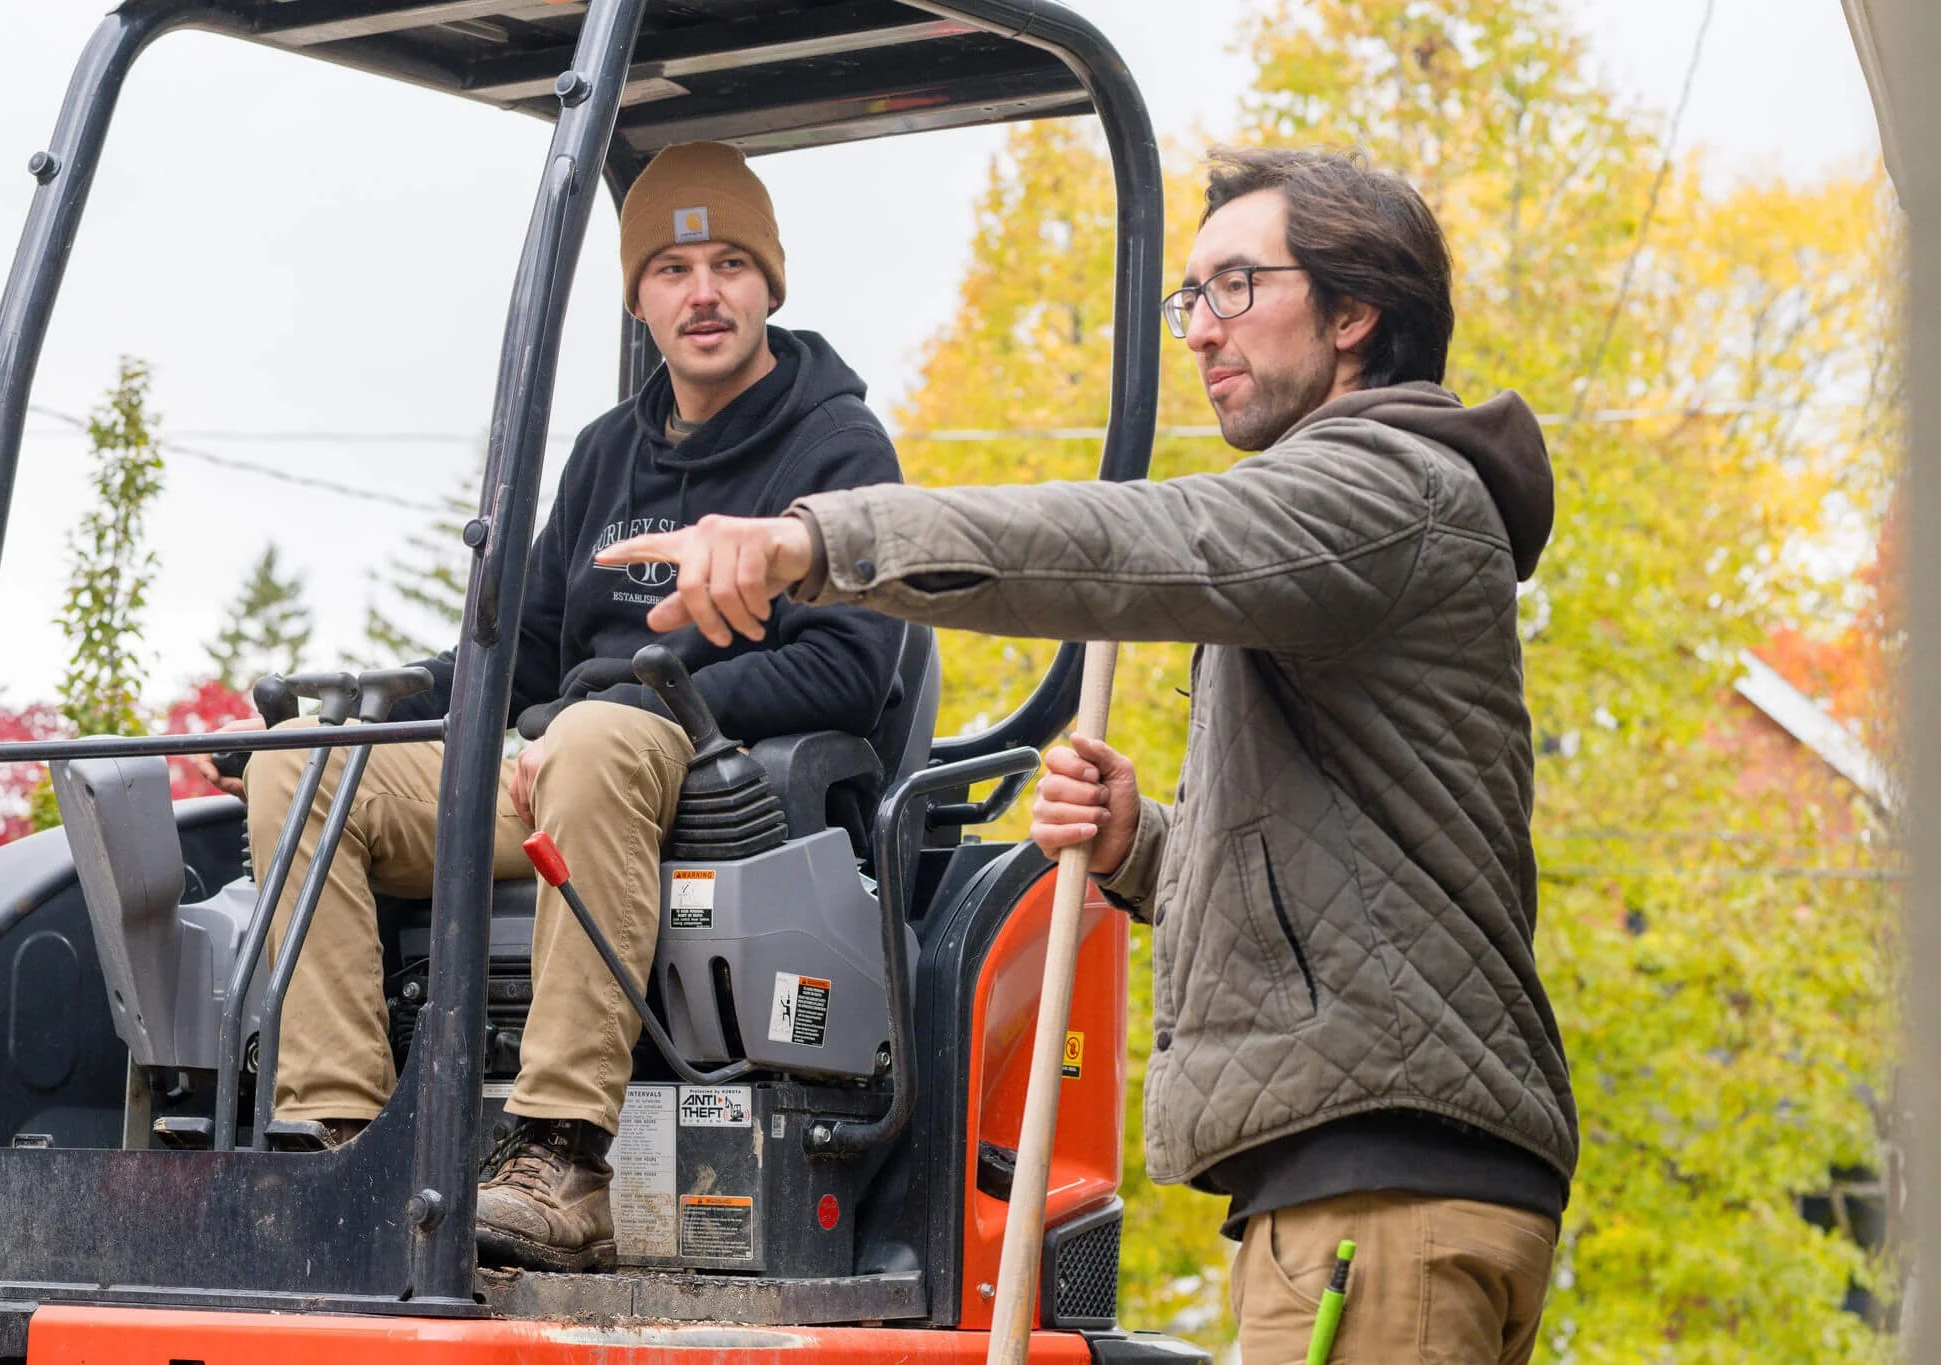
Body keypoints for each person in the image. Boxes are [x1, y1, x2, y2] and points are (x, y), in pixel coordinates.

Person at [595, 148, 1578, 1363]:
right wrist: (1138, 844)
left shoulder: (1387, 487)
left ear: (1352, 313)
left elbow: (1133, 539)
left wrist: (822, 540)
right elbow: (1333, 885)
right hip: (1357, 1194)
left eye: (1233, 287)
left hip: (1379, 1201)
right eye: (1188, 300)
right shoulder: (1361, 525)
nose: (1201, 330)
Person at [203, 141, 904, 1275]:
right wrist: (380, 706)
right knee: (306, 764)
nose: (704, 293)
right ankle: (341, 1141)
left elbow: (846, 671)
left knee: (592, 736)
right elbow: (517, 651)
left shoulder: (836, 444)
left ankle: (561, 1156)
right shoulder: (605, 455)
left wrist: (634, 701)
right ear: (639, 296)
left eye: (730, 263)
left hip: (721, 785)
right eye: (672, 269)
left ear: (771, 283)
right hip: (558, 762)